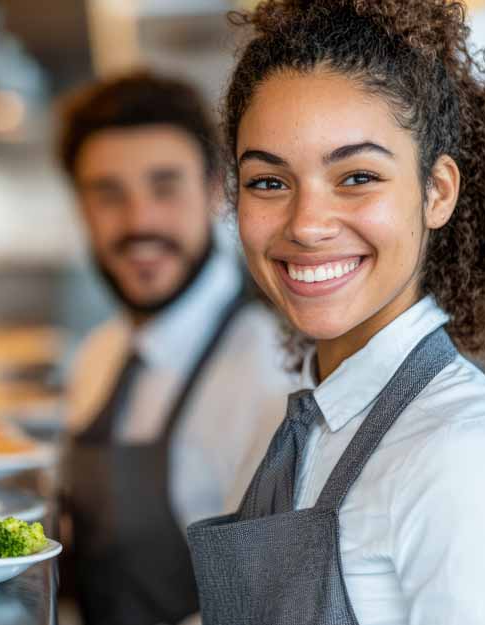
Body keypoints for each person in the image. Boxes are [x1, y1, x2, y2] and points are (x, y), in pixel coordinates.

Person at [186, 1, 485, 624]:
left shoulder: (470, 459)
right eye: (270, 182)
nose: (306, 225)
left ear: (436, 192)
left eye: (357, 176)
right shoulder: (306, 420)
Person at [57, 72, 297, 625]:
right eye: (108, 193)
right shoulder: (101, 353)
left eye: (164, 187)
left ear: (216, 190)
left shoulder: (274, 368)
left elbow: (269, 603)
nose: (139, 221)